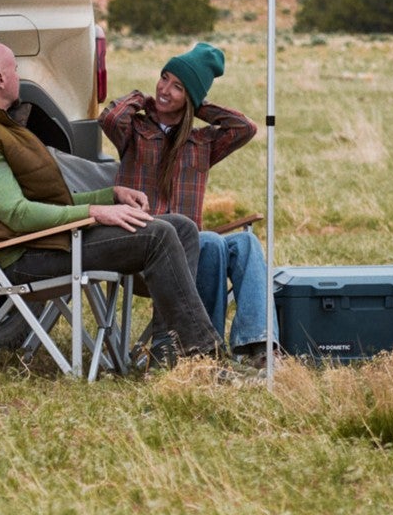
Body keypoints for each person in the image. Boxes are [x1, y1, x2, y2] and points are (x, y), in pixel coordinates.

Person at [0, 41, 221, 366]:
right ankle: (203, 356)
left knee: (180, 226)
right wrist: (96, 212)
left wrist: (110, 196)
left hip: (50, 240)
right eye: (14, 68)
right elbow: (17, 214)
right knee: (158, 236)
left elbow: (44, 202)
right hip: (25, 257)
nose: (18, 74)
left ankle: (167, 356)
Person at [100, 41, 275, 364]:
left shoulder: (201, 143)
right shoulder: (136, 132)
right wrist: (144, 99)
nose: (165, 88)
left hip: (191, 256)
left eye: (177, 86)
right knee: (210, 241)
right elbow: (110, 118)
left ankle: (258, 345)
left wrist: (198, 105)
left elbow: (244, 128)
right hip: (144, 253)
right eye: (164, 78)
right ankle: (204, 351)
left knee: (246, 243)